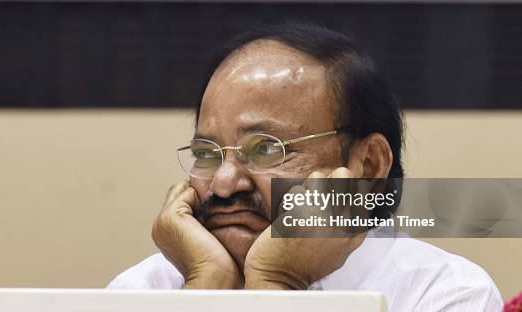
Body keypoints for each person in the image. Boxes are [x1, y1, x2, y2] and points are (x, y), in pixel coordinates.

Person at [108, 22, 503, 311]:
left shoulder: (447, 293)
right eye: (208, 154)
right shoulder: (144, 289)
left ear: (368, 165)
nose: (225, 184)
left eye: (266, 148)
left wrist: (276, 284)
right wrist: (207, 286)